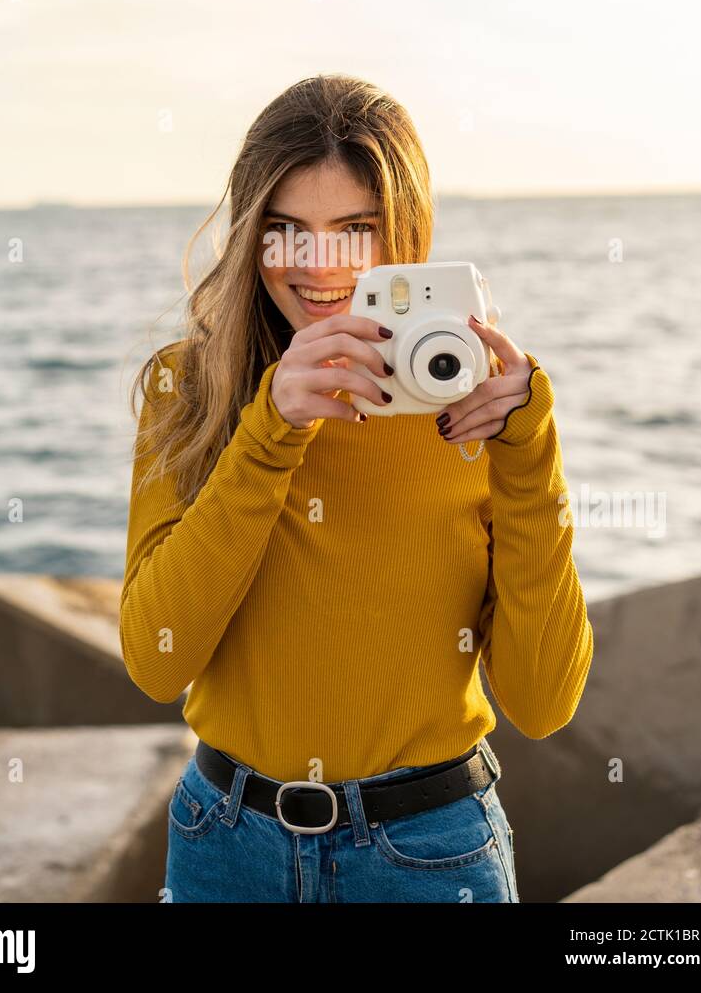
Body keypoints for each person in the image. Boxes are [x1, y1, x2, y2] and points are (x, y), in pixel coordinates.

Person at [120, 74, 594, 903]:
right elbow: (158, 661)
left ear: (405, 233)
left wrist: (529, 453)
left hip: (430, 850)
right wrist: (268, 433)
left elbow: (545, 701)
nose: (318, 265)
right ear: (252, 235)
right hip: (225, 842)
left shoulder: (474, 403)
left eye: (354, 229)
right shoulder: (187, 388)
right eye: (287, 231)